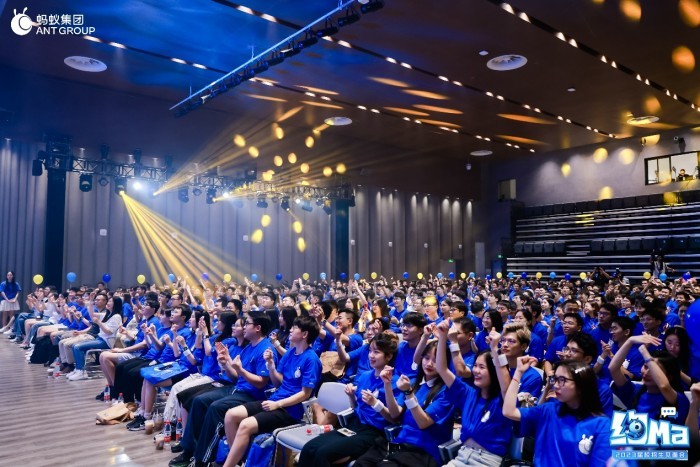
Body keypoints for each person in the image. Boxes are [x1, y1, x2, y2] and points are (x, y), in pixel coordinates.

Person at [221, 316, 321, 467]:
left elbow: (305, 394)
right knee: (231, 415)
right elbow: (277, 383)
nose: (290, 330)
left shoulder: (311, 359)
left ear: (305, 334)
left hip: (290, 410)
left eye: (294, 328)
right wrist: (271, 366)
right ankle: (239, 461)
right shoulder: (290, 353)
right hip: (274, 400)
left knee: (245, 425)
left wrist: (278, 404)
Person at [298, 332, 402, 467]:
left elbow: (394, 419)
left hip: (374, 433)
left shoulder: (395, 382)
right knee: (309, 448)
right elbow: (355, 408)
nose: (371, 355)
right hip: (354, 425)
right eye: (370, 351)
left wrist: (376, 404)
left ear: (388, 356)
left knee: (322, 453)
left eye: (376, 352)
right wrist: (351, 396)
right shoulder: (365, 376)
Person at [354, 339, 454, 467]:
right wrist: (387, 384)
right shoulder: (413, 382)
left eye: (435, 360)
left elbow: (423, 423)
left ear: (445, 363)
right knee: (361, 463)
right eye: (426, 358)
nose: (429, 363)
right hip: (400, 442)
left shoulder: (447, 392)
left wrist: (408, 393)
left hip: (424, 450)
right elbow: (395, 414)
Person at [502, 357, 611, 466]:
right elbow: (509, 411)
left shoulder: (602, 425)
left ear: (581, 385)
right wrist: (518, 373)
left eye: (562, 380)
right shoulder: (548, 410)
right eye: (555, 379)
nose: (555, 385)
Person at [609, 334, 691, 422]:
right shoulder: (635, 391)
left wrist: (645, 352)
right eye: (645, 366)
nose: (647, 372)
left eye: (653, 369)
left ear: (669, 377)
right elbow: (613, 369)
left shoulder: (679, 399)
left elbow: (664, 386)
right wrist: (630, 341)